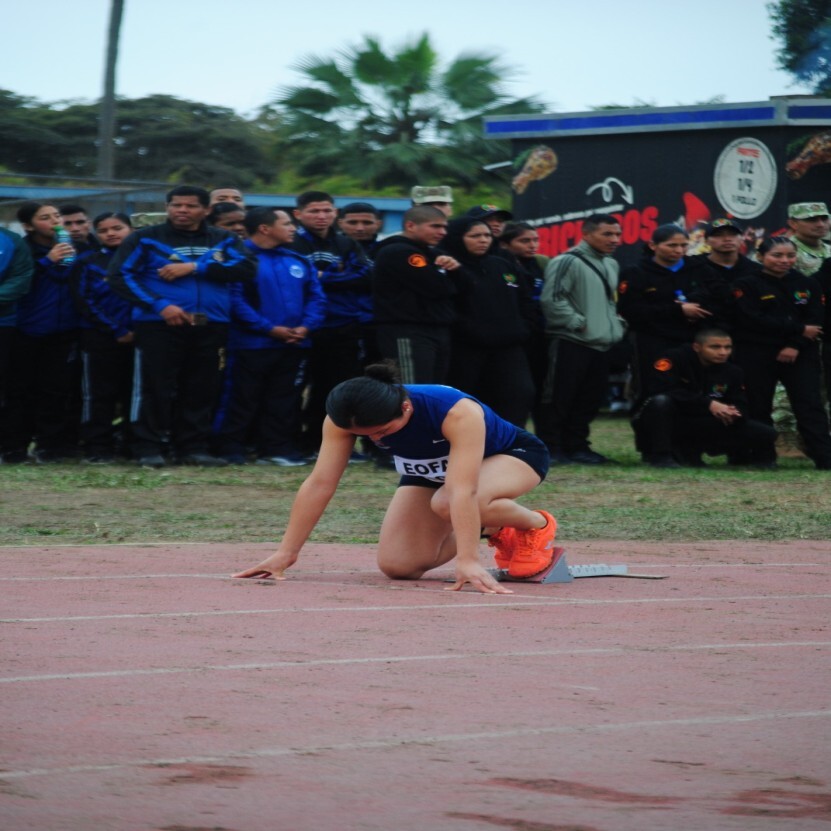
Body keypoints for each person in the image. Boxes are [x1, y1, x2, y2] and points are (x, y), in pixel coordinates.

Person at [233, 362, 557, 594]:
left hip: (510, 456)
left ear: (405, 408)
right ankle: (496, 526)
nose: (375, 440)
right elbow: (320, 484)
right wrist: (286, 552)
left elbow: (462, 490)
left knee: (446, 501)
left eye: (383, 432)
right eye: (365, 436)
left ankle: (536, 525)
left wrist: (468, 560)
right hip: (432, 472)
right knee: (399, 567)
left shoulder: (456, 412)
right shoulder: (341, 420)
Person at [108, 185, 257, 467]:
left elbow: (247, 269)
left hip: (211, 324)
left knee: (201, 388)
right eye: (176, 205)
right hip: (158, 324)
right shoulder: (145, 238)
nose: (182, 211)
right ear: (167, 207)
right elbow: (119, 276)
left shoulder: (224, 239)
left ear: (206, 210)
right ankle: (148, 447)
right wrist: (159, 305)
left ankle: (192, 448)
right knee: (154, 387)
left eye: (190, 206)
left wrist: (196, 268)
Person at [214, 207, 326, 466]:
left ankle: (277, 449)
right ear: (265, 228)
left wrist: (306, 327)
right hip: (251, 344)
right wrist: (268, 328)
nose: (293, 229)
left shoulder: (298, 261)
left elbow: (317, 298)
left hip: (295, 344)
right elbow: (235, 301)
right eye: (286, 223)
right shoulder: (239, 260)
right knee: (242, 396)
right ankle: (231, 448)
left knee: (285, 399)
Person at [731, 236, 831, 470]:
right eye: (777, 255)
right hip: (757, 351)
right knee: (758, 404)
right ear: (760, 257)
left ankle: (825, 458)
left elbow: (815, 320)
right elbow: (751, 319)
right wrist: (797, 329)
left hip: (800, 352)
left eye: (790, 255)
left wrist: (795, 343)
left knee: (810, 405)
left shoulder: (807, 284)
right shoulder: (746, 284)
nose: (784, 260)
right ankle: (763, 457)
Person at [288, 191, 373, 455]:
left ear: (335, 213)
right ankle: (296, 444)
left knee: (338, 390)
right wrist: (332, 276)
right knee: (297, 391)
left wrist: (322, 277)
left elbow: (366, 276)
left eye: (327, 210)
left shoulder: (345, 243)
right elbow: (298, 281)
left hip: (343, 326)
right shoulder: (292, 243)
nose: (322, 216)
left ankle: (334, 446)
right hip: (303, 327)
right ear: (298, 214)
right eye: (314, 211)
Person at [538, 213, 627, 465]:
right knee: (559, 397)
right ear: (586, 234)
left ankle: (578, 447)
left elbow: (610, 302)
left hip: (600, 343)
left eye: (617, 234)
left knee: (588, 399)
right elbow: (552, 299)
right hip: (570, 341)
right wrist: (578, 323)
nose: (614, 239)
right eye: (607, 234)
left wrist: (615, 325)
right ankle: (551, 448)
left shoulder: (611, 264)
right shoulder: (567, 261)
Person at [0, 203, 80, 463]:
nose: (55, 221)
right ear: (29, 226)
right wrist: (47, 261)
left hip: (64, 331)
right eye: (45, 218)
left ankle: (50, 447)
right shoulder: (22, 249)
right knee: (20, 391)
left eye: (57, 216)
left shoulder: (77, 248)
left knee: (56, 391)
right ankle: (14, 448)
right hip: (26, 330)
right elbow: (22, 283)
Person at [632, 328, 776, 468]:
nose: (723, 352)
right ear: (697, 347)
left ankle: (734, 455)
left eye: (727, 347)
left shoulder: (733, 371)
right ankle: (661, 456)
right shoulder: (673, 359)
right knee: (661, 402)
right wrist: (708, 404)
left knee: (766, 433)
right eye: (715, 347)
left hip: (703, 420)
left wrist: (733, 412)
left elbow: (741, 402)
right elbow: (661, 389)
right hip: (672, 418)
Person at [440, 216, 535, 427]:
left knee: (519, 393)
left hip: (509, 345)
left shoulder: (501, 264)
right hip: (466, 348)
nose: (483, 240)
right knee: (467, 400)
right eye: (474, 236)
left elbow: (526, 301)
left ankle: (510, 447)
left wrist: (523, 328)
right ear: (458, 238)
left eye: (486, 235)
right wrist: (470, 330)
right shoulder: (448, 265)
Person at [618, 223, 723, 412]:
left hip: (693, 341)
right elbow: (631, 311)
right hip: (653, 342)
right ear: (653, 246)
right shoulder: (636, 272)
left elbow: (720, 297)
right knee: (655, 393)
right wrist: (677, 311)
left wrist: (699, 310)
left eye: (684, 245)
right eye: (672, 245)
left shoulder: (700, 268)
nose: (679, 250)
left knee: (694, 390)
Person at [71, 212, 136, 463]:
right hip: (99, 336)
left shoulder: (143, 260)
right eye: (103, 230)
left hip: (141, 336)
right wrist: (116, 330)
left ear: (130, 229)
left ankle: (133, 444)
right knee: (98, 394)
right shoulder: (88, 262)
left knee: (136, 392)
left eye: (117, 228)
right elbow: (83, 300)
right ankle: (97, 446)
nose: (110, 233)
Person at [372, 205, 461, 384]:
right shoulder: (399, 251)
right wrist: (444, 275)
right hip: (408, 331)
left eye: (445, 227)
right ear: (411, 225)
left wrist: (454, 269)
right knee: (412, 389)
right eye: (435, 226)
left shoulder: (432, 252)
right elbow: (437, 287)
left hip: (436, 329)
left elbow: (464, 285)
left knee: (434, 388)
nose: (442, 232)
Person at [498, 223, 549, 430]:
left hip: (540, 335)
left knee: (540, 389)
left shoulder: (541, 263)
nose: (532, 245)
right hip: (514, 337)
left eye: (535, 240)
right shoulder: (500, 264)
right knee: (517, 391)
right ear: (505, 244)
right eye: (525, 240)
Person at [0, 226, 34, 457]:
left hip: (4, 323)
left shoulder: (11, 241)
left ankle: (11, 447)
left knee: (7, 386)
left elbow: (21, 279)